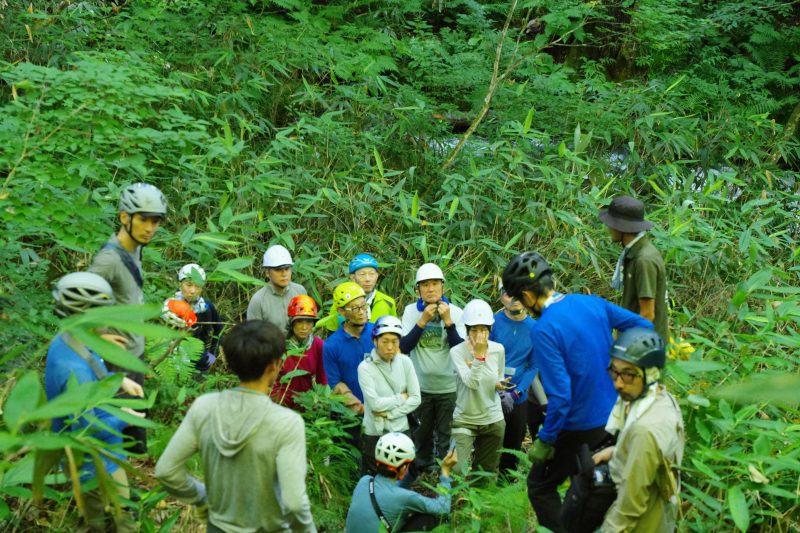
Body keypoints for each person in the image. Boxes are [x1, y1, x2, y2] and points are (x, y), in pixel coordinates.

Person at [501, 251, 654, 533]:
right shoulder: (591, 303)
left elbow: (561, 398)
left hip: (579, 426)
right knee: (587, 486)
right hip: (614, 417)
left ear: (527, 294)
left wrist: (545, 440)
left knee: (539, 485)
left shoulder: (544, 329)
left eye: (519, 299)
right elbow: (644, 326)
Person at [155, 320, 316, 533]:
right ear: (274, 366)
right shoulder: (286, 423)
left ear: (228, 360)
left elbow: (166, 470)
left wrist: (203, 498)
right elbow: (294, 503)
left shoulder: (204, 407)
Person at [45, 272, 146, 533]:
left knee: (120, 515)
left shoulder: (71, 338)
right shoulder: (70, 368)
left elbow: (92, 362)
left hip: (108, 453)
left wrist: (117, 379)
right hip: (92, 461)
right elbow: (83, 424)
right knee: (102, 523)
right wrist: (125, 414)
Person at [90, 182, 166, 453]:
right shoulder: (109, 259)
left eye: (155, 221)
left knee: (133, 439)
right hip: (116, 363)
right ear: (125, 217)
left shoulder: (135, 249)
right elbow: (78, 302)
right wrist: (100, 336)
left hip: (133, 355)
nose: (150, 228)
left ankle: (125, 489)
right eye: (144, 219)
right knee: (117, 439)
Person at [590, 328, 684, 533]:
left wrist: (609, 529)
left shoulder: (645, 430)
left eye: (629, 375)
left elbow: (631, 504)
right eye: (614, 371)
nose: (618, 383)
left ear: (651, 374)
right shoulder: (659, 398)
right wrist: (616, 451)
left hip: (641, 521)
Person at [400, 263, 465, 473]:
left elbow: (461, 350)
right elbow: (403, 347)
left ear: (443, 287)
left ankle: (444, 472)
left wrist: (448, 322)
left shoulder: (456, 312)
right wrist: (422, 321)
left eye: (435, 284)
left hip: (449, 386)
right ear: (417, 289)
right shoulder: (411, 312)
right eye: (425, 285)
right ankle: (422, 471)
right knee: (421, 432)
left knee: (447, 432)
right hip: (421, 386)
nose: (430, 289)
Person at [345, 433, 458, 533]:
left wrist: (411, 475)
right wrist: (445, 471)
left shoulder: (364, 481)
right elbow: (443, 509)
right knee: (429, 518)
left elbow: (391, 492)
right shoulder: (404, 498)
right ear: (404, 467)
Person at [488, 282, 541, 476]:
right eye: (509, 295)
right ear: (502, 297)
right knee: (491, 442)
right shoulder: (493, 323)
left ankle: (506, 484)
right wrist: (498, 387)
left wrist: (518, 391)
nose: (515, 300)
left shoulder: (535, 328)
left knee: (513, 443)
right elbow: (487, 356)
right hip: (493, 393)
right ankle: (485, 485)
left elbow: (534, 365)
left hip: (519, 396)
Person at [450, 299, 506, 479]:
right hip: (465, 417)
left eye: (484, 329)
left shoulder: (498, 349)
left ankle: (478, 506)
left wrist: (499, 384)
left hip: (492, 417)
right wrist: (480, 357)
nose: (479, 335)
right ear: (466, 330)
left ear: (490, 329)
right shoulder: (457, 352)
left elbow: (499, 375)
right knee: (456, 469)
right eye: (474, 330)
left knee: (486, 472)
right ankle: (449, 503)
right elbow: (471, 382)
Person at [358, 316, 421, 474]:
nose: (390, 347)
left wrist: (390, 414)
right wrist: (401, 397)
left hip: (401, 428)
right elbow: (375, 404)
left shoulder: (405, 362)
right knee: (373, 475)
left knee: (401, 475)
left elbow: (416, 398)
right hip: (374, 431)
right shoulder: (365, 367)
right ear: (375, 341)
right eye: (385, 341)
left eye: (395, 341)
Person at [599, 195, 669, 341]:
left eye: (611, 223)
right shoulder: (633, 252)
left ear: (622, 227)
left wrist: (624, 350)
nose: (608, 228)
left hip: (644, 346)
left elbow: (647, 315)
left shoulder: (644, 259)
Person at [323, 282, 375, 457]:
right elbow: (335, 383)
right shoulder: (332, 345)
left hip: (380, 409)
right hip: (348, 415)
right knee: (349, 458)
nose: (361, 312)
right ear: (341, 312)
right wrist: (358, 407)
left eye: (363, 306)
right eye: (354, 308)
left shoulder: (378, 332)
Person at [271, 295, 327, 410]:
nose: (304, 327)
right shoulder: (279, 345)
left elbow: (322, 379)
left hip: (306, 402)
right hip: (280, 402)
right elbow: (270, 378)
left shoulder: (318, 345)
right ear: (292, 323)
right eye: (299, 321)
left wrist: (321, 401)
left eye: (309, 322)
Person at [317, 253, 398, 332]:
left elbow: (394, 332)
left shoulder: (388, 302)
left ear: (377, 276)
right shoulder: (341, 303)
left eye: (372, 274)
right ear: (353, 277)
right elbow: (332, 335)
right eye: (362, 274)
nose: (367, 279)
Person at [170, 263, 223, 371]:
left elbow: (220, 330)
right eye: (188, 285)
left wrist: (213, 353)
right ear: (180, 284)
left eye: (197, 286)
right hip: (172, 362)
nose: (193, 291)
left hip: (200, 362)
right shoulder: (170, 306)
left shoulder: (206, 306)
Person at [246, 244, 307, 331]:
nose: (284, 274)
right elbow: (253, 335)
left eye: (287, 269)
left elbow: (306, 323)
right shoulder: (259, 300)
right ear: (267, 273)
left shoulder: (299, 291)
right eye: (278, 270)